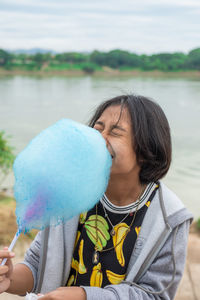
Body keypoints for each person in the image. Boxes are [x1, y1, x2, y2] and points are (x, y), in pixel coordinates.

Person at [0, 94, 193, 300]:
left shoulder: (170, 219)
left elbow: (154, 295)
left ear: (146, 150)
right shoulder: (68, 194)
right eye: (98, 129)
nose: (98, 138)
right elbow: (38, 266)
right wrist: (9, 278)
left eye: (115, 132)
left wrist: (84, 296)